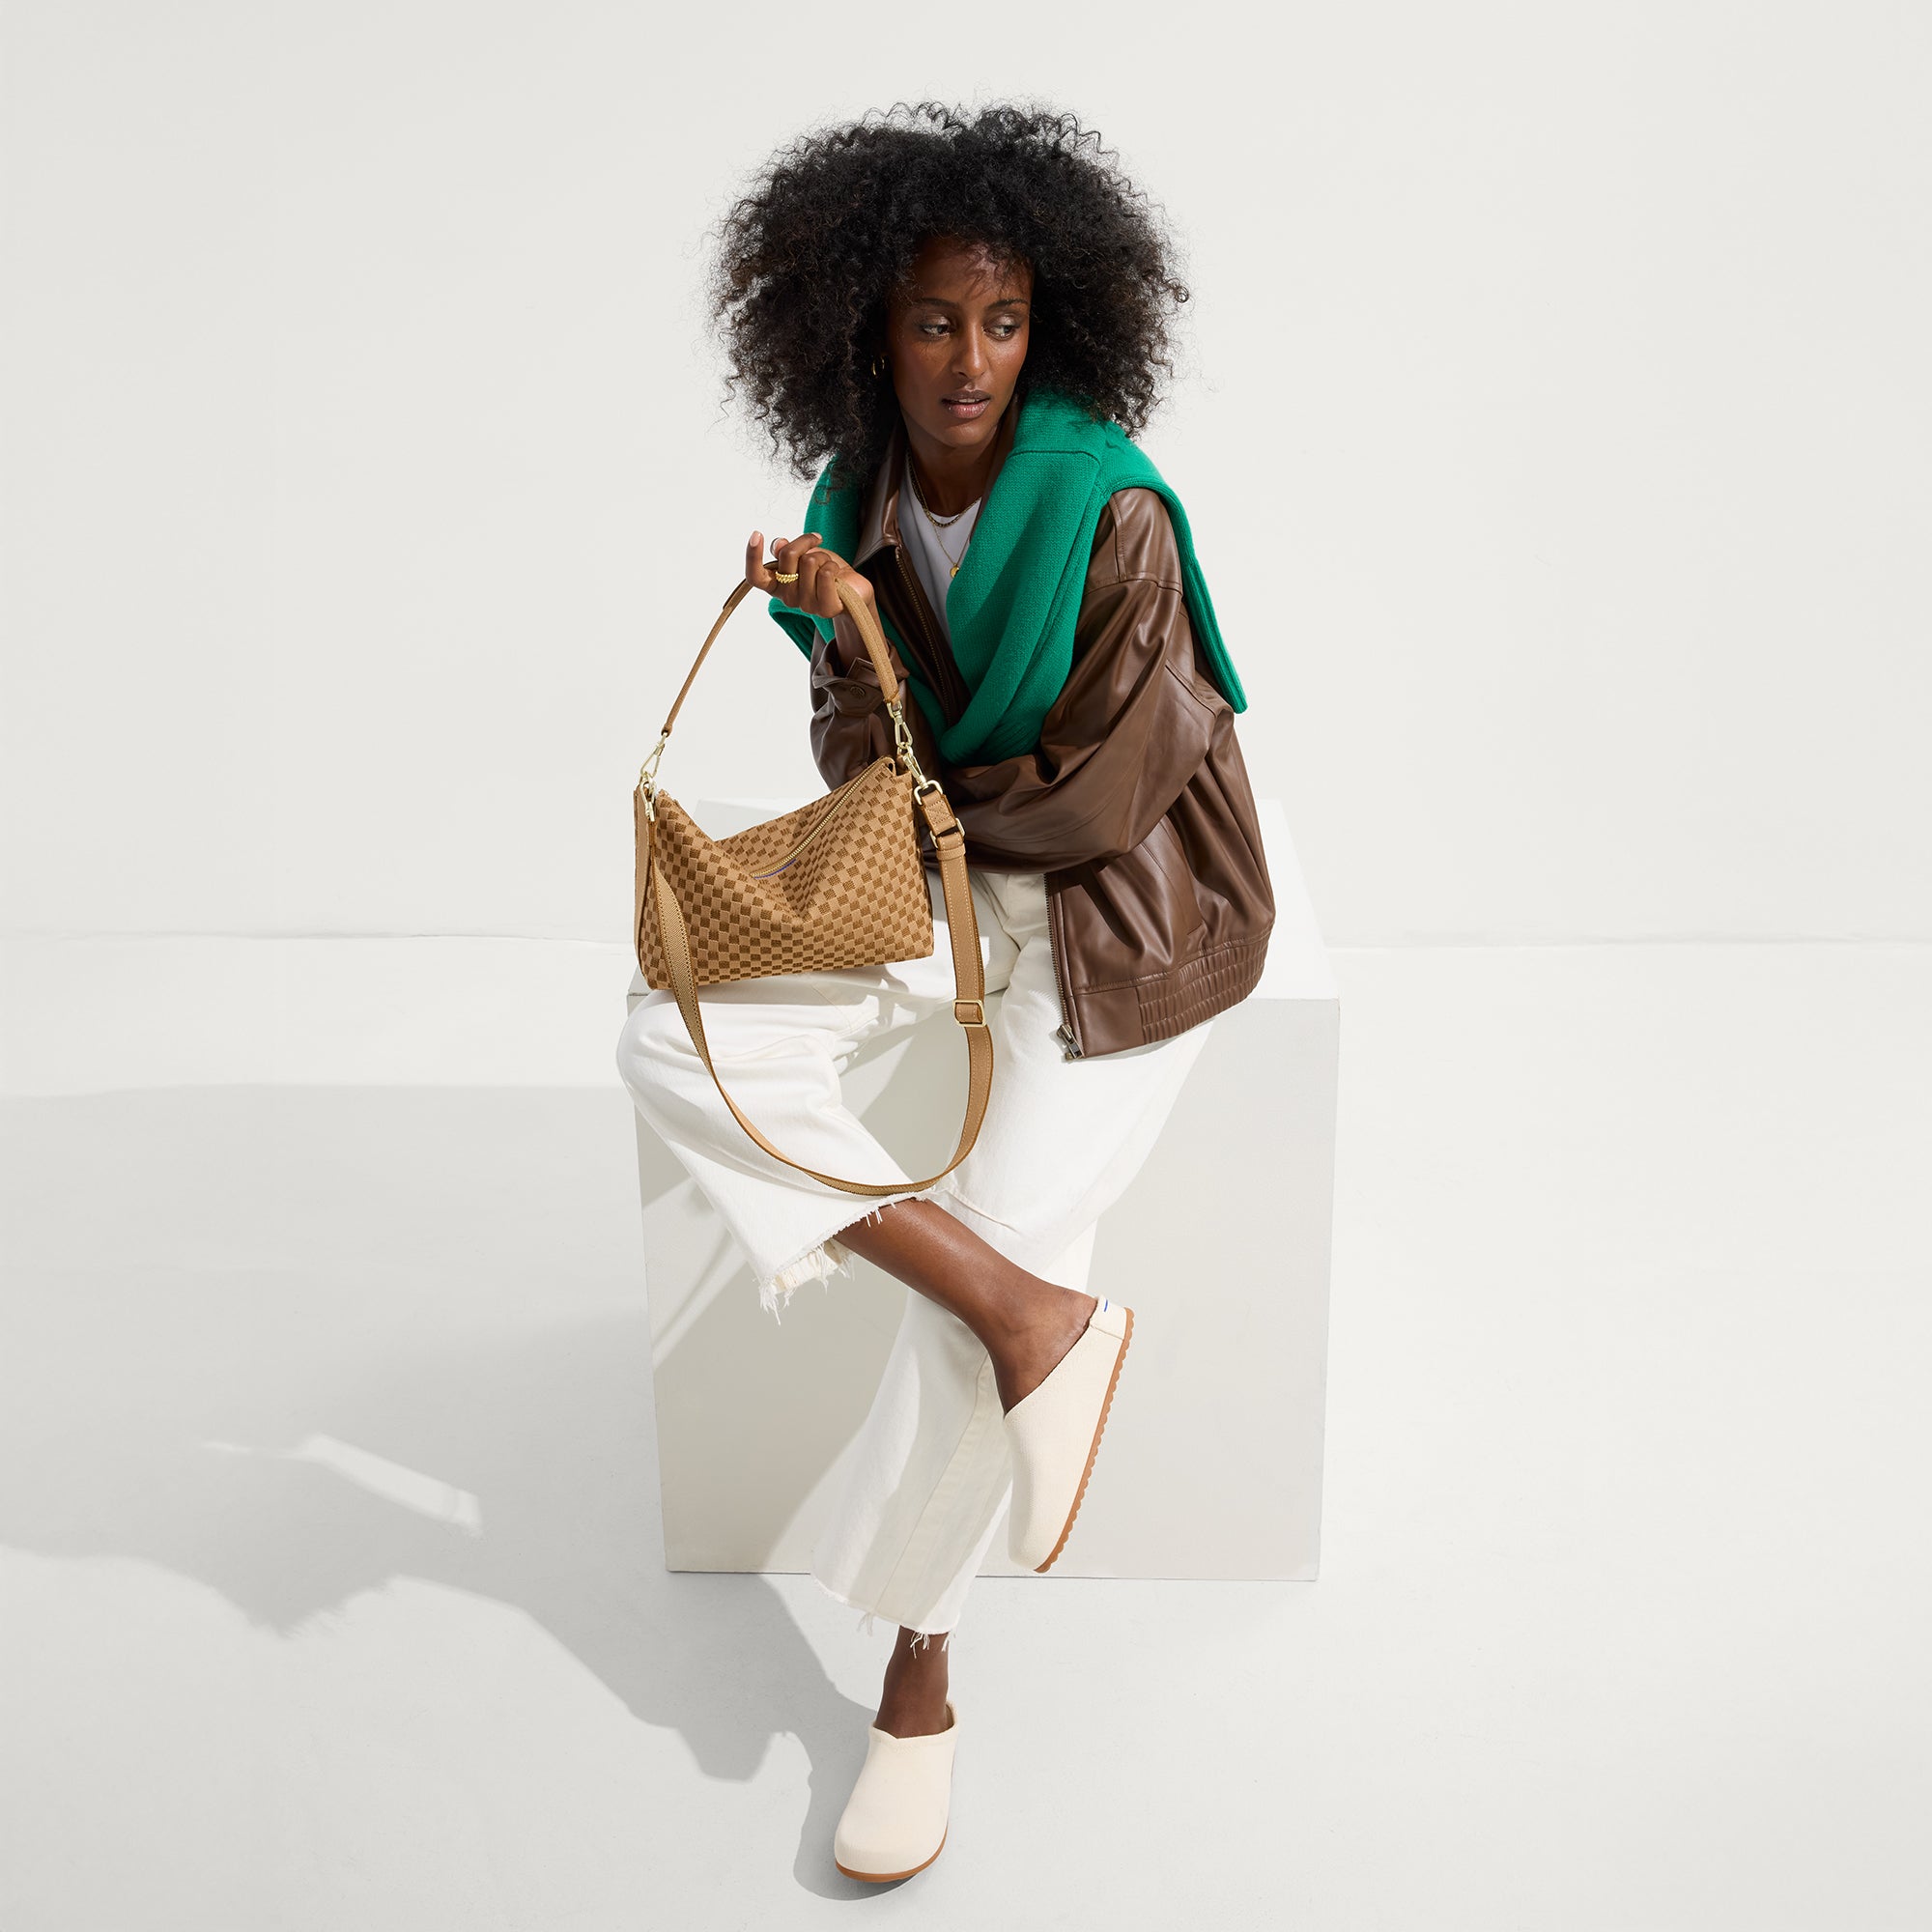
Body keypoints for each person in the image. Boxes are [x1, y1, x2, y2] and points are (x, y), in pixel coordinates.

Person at [615, 102, 1274, 1883]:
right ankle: (1027, 1315)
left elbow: (1100, 789)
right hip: (951, 876)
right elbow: (862, 765)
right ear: (869, 329)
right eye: (933, 322)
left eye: (1001, 320)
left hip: (1125, 908)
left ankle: (918, 1674)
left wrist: (903, 737)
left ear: (1044, 326)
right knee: (672, 1032)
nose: (970, 360)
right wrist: (848, 626)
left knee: (993, 1226)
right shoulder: (856, 502)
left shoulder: (1109, 507)